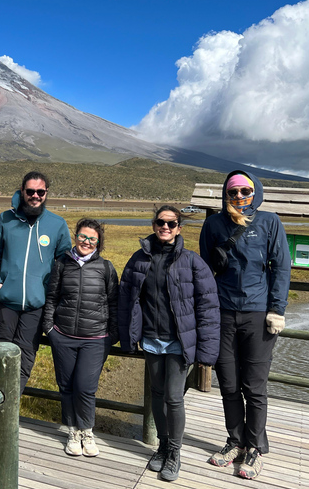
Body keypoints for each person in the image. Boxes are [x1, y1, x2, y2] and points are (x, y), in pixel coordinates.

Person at [199, 171, 291, 480]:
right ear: (225, 194)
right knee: (228, 384)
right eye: (233, 191)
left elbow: (280, 267)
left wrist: (276, 309)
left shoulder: (269, 222)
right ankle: (234, 442)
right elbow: (206, 268)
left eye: (245, 190)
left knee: (254, 385)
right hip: (223, 312)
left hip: (257, 313)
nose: (239, 196)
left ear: (255, 191)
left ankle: (254, 448)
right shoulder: (213, 225)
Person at [118, 205, 220, 481]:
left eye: (171, 223)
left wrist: (207, 352)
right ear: (154, 225)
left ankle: (174, 452)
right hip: (151, 339)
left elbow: (208, 307)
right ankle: (162, 446)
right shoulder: (138, 260)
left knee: (174, 398)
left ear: (179, 228)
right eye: (161, 222)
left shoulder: (192, 261)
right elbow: (126, 300)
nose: (165, 227)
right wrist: (128, 336)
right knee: (158, 395)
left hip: (179, 342)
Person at [0, 171, 72, 394]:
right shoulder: (5, 219)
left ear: (46, 193)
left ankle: (7, 410)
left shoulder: (57, 224)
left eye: (40, 191)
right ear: (22, 191)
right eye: (30, 191)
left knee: (26, 357)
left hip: (36, 305)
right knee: (1, 355)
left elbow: (63, 264)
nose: (35, 195)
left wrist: (49, 292)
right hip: (6, 302)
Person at [43, 218, 118, 458]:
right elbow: (52, 298)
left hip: (95, 339)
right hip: (63, 336)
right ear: (75, 237)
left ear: (99, 242)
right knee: (66, 386)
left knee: (85, 387)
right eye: (82, 236)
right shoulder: (61, 264)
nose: (86, 242)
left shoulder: (106, 268)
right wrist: (49, 329)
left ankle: (87, 431)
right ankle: (72, 431)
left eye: (92, 238)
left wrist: (112, 335)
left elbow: (114, 304)